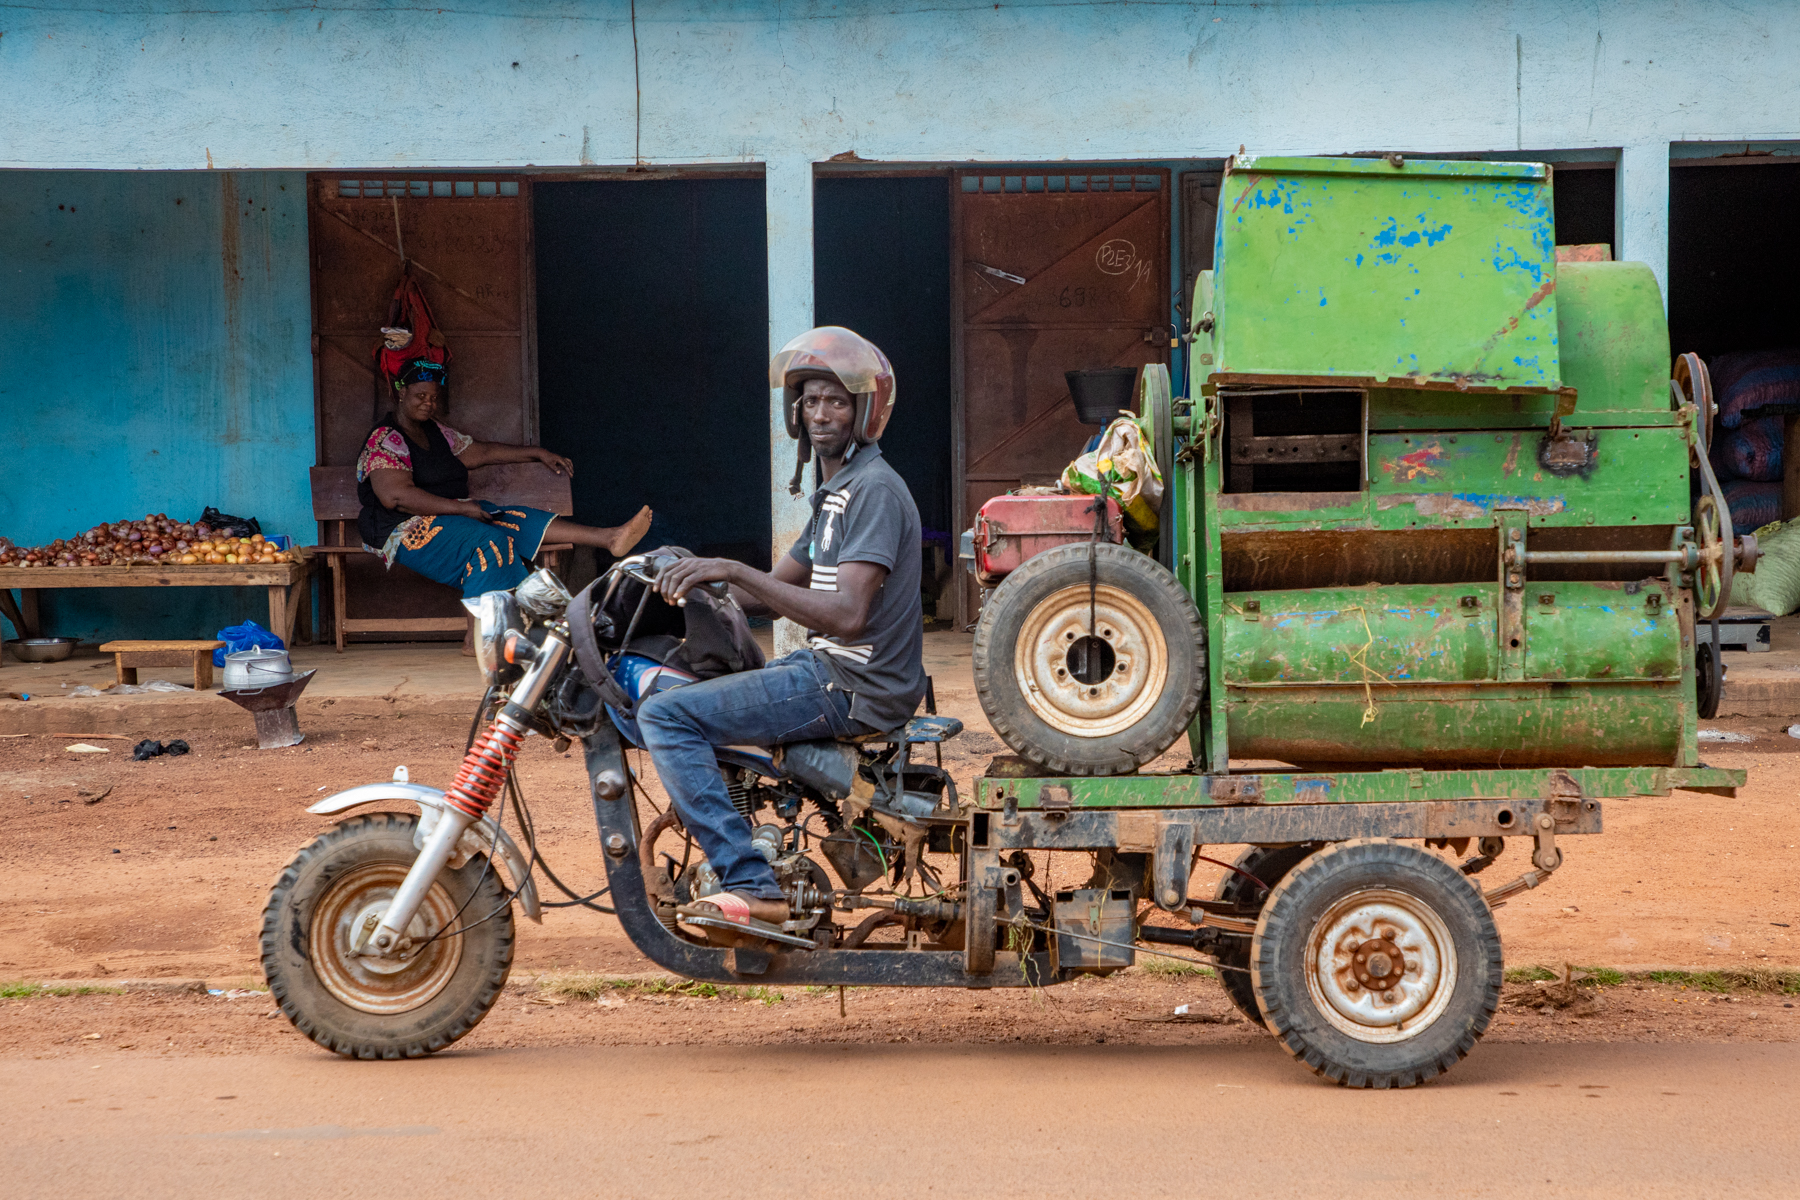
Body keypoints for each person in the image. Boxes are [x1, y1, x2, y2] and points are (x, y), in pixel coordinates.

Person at [638, 326, 926, 939]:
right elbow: (763, 591)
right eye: (810, 401)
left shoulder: (873, 491)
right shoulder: (835, 494)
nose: (820, 413)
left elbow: (847, 613)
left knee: (666, 718)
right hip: (827, 673)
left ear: (865, 410)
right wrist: (678, 586)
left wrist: (733, 569)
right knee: (679, 689)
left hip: (853, 683)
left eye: (836, 401)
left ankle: (750, 885)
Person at [357, 358, 653, 613]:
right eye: (420, 395)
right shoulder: (386, 438)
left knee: (515, 521)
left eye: (434, 397)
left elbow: (481, 453)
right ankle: (484, 635)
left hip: (446, 516)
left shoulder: (436, 432)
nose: (428, 403)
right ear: (400, 391)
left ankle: (611, 538)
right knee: (489, 542)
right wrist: (462, 510)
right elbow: (395, 498)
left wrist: (536, 452)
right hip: (399, 527)